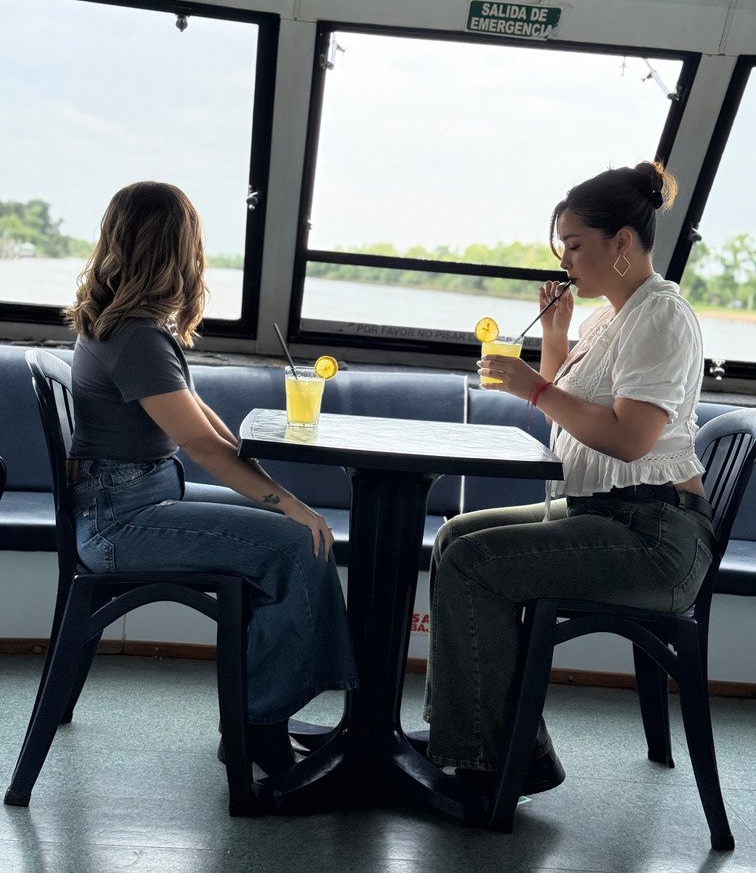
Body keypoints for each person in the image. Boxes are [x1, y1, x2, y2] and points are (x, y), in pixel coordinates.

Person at [423, 161, 714, 796]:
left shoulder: (660, 316)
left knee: (473, 562)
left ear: (622, 243)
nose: (565, 262)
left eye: (576, 246)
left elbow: (629, 438)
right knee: (454, 538)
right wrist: (554, 337)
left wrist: (534, 387)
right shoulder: (606, 321)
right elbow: (572, 412)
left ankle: (497, 760)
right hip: (607, 515)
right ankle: (469, 735)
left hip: (656, 535)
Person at [64, 181, 358, 778]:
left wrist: (278, 498)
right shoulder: (137, 338)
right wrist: (291, 506)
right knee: (300, 544)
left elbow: (206, 425)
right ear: (178, 249)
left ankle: (270, 714)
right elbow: (201, 447)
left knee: (290, 527)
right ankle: (257, 726)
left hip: (134, 498)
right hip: (122, 520)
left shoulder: (134, 328)